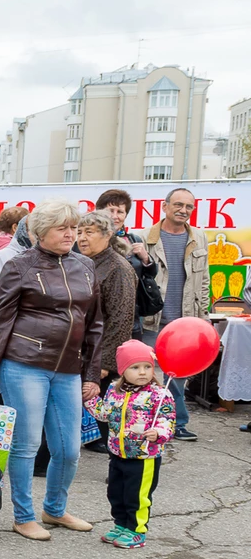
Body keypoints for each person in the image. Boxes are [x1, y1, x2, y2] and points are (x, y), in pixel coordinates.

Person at [0, 200, 103, 542]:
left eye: (74, 227)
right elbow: (0, 321)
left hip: (69, 368)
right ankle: (23, 516)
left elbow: (94, 323)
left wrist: (92, 373)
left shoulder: (85, 265)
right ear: (41, 232)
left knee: (69, 449)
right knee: (27, 444)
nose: (71, 234)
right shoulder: (19, 265)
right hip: (22, 364)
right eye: (62, 228)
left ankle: (55, 510)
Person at [90, 340, 175, 549]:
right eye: (135, 367)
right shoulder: (114, 390)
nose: (143, 372)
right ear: (122, 370)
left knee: (137, 496)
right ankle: (121, 524)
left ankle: (136, 530)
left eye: (147, 366)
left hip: (144, 456)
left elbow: (167, 419)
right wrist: (90, 400)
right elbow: (105, 414)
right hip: (117, 452)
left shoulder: (159, 393)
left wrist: (159, 433)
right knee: (116, 492)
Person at [141, 187, 208, 442]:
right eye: (178, 205)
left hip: (185, 320)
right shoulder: (145, 237)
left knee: (178, 375)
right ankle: (145, 423)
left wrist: (203, 318)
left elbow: (204, 280)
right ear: (165, 206)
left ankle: (177, 423)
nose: (183, 210)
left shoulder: (198, 237)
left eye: (189, 207)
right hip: (152, 319)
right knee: (146, 372)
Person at [77, 209, 138, 452]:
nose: (82, 238)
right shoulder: (84, 262)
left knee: (105, 411)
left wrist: (105, 363)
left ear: (107, 235)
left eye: (89, 232)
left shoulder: (117, 268)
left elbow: (122, 318)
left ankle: (119, 456)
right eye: (79, 232)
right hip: (82, 350)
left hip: (102, 353)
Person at [95, 189, 156, 341]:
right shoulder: (89, 240)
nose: (115, 216)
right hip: (99, 317)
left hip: (132, 317)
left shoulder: (134, 239)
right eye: (110, 211)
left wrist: (146, 259)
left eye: (120, 212)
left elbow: (149, 275)